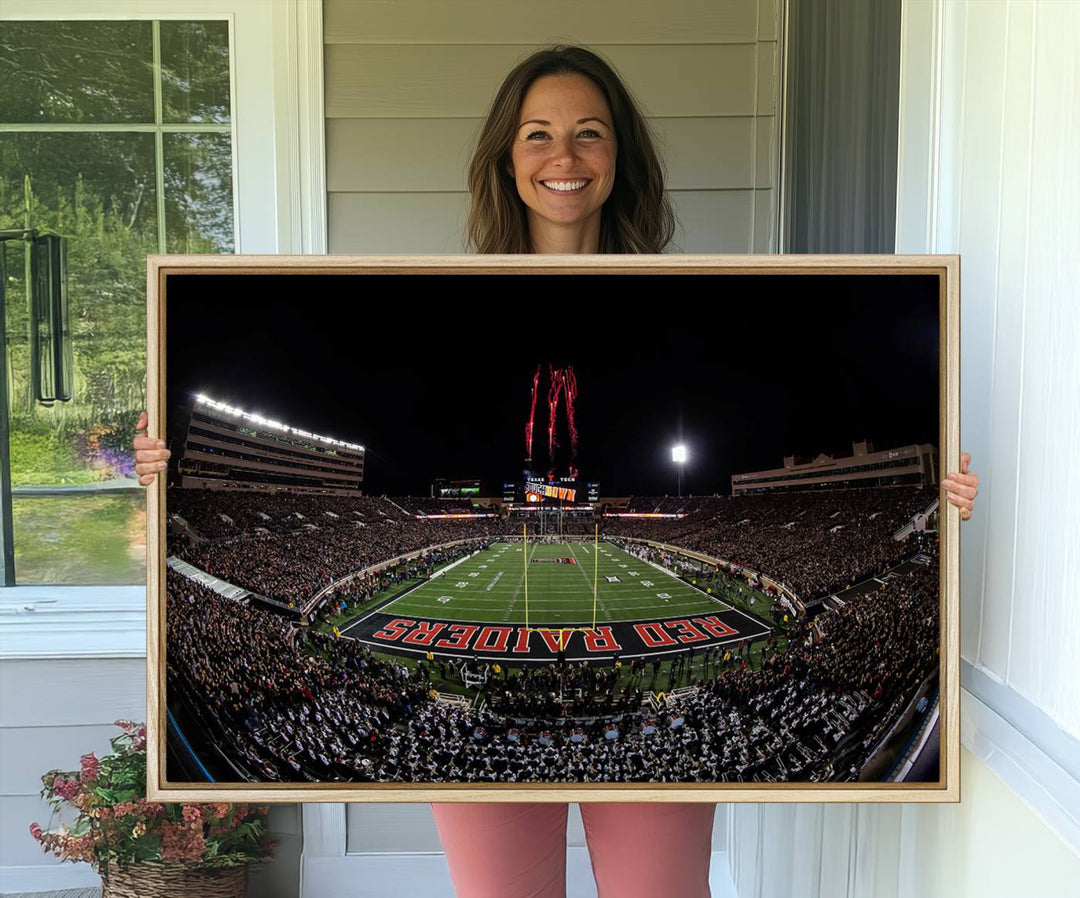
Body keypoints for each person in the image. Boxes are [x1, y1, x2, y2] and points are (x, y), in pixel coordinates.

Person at [134, 44, 980, 898]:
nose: (563, 157)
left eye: (589, 133)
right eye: (537, 134)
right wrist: (168, 472)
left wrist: (931, 495)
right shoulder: (444, 296)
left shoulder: (684, 298)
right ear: (507, 157)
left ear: (621, 158)